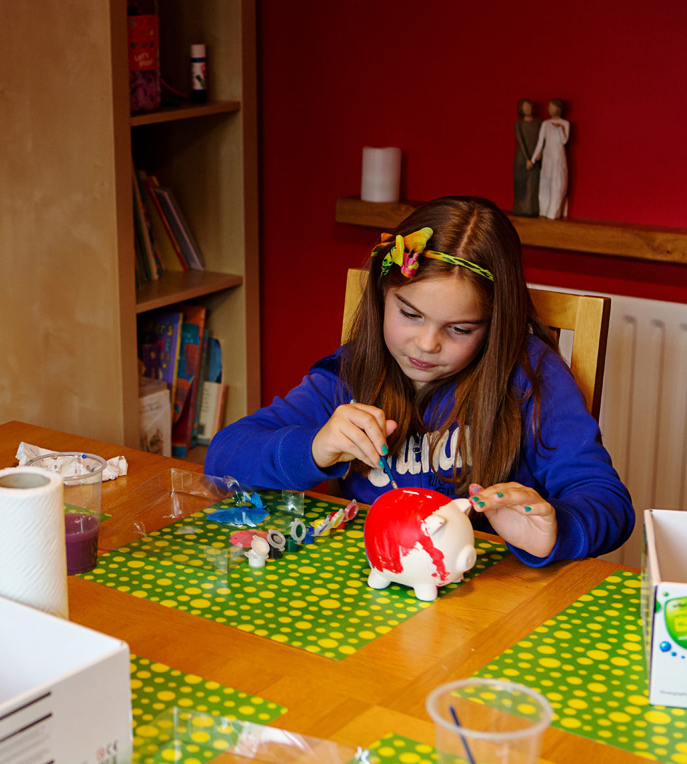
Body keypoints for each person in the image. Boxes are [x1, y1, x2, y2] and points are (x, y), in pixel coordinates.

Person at [205, 196, 633, 566]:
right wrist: (315, 447)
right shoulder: (349, 373)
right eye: (410, 315)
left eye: (460, 329)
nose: (427, 344)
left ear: (495, 326)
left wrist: (557, 530)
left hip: (489, 605)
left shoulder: (531, 378)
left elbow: (608, 502)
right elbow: (223, 458)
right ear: (380, 297)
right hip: (374, 588)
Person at [531, 99, 570, 219]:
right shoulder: (545, 124)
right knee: (545, 182)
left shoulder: (565, 124)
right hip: (547, 156)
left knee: (557, 182)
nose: (550, 109)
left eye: (552, 107)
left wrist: (559, 129)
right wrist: (533, 159)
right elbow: (540, 142)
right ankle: (544, 209)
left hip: (558, 156)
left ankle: (553, 213)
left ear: (558, 109)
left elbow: (564, 140)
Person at [513, 99, 541, 217]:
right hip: (523, 158)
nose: (527, 109)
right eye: (525, 107)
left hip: (535, 158)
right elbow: (521, 141)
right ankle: (521, 209)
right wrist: (527, 158)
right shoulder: (519, 123)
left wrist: (538, 154)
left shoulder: (538, 123)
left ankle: (532, 209)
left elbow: (541, 140)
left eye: (529, 107)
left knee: (533, 184)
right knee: (522, 185)